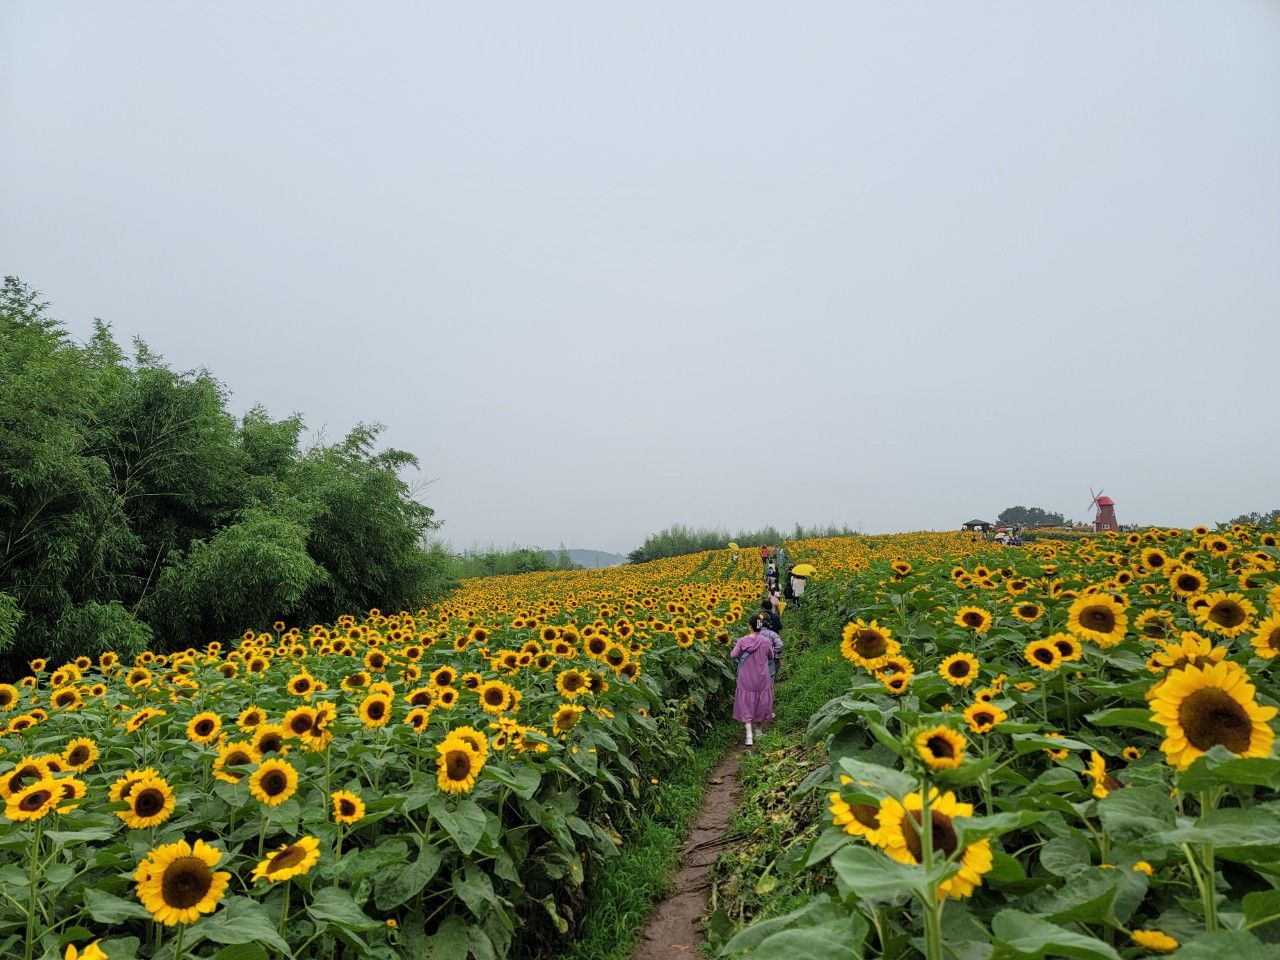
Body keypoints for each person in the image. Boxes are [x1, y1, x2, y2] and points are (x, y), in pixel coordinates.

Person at [729, 615, 775, 746]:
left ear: (750, 626)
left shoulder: (742, 641)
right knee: (761, 702)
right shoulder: (766, 641)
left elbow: (733, 655)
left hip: (746, 678)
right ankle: (759, 731)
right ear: (760, 626)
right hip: (762, 677)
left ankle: (749, 736)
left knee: (746, 704)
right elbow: (771, 656)